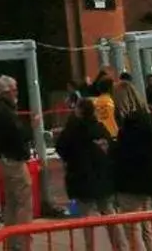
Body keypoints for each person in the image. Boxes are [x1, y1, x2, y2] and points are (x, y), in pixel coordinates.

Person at [109, 79, 152, 249]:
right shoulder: (145, 118)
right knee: (146, 224)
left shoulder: (129, 125)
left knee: (132, 227)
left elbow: (125, 154)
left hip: (130, 181)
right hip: (147, 179)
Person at [0, 75, 35, 249]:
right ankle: (22, 244)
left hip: (3, 160)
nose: (16, 93)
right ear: (6, 92)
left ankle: (10, 242)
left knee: (12, 204)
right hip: (14, 161)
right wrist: (32, 128)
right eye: (14, 90)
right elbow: (18, 134)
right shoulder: (5, 112)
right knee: (23, 203)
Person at [55, 90, 115, 224]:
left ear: (79, 112)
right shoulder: (100, 128)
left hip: (81, 177)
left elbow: (60, 148)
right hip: (102, 177)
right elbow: (110, 147)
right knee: (108, 212)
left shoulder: (72, 131)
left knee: (86, 216)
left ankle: (90, 245)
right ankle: (119, 244)